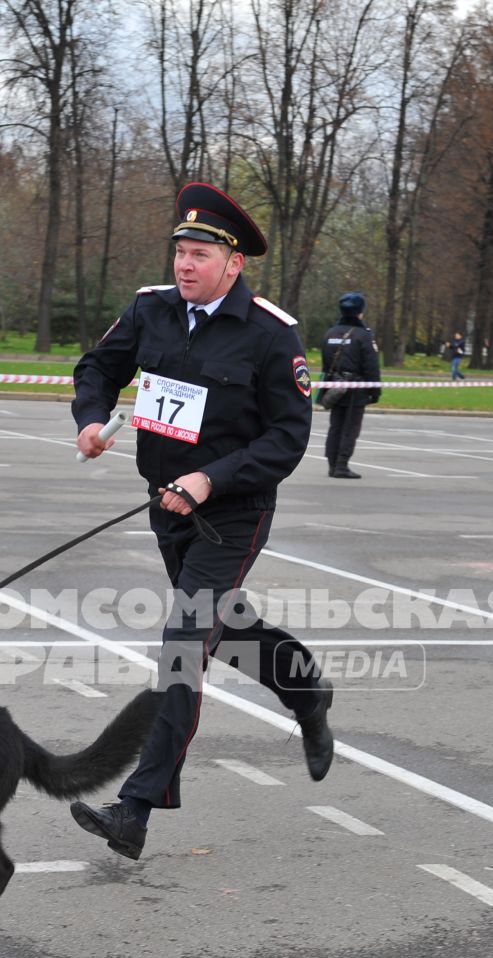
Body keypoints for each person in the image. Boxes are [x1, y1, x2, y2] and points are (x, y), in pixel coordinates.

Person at [68, 181, 335, 860]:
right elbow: (97, 366)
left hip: (233, 513)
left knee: (184, 643)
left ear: (232, 263)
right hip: (165, 505)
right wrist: (93, 419)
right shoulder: (151, 310)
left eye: (198, 254)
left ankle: (135, 810)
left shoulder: (271, 335)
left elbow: (286, 437)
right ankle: (306, 688)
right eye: (180, 251)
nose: (184, 265)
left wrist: (209, 478)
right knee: (226, 631)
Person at [319, 291, 381, 478]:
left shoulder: (330, 333)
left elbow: (325, 363)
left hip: (335, 387)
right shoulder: (363, 335)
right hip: (356, 388)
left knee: (335, 426)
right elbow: (371, 366)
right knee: (350, 428)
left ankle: (332, 464)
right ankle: (341, 465)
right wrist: (374, 391)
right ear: (360, 312)